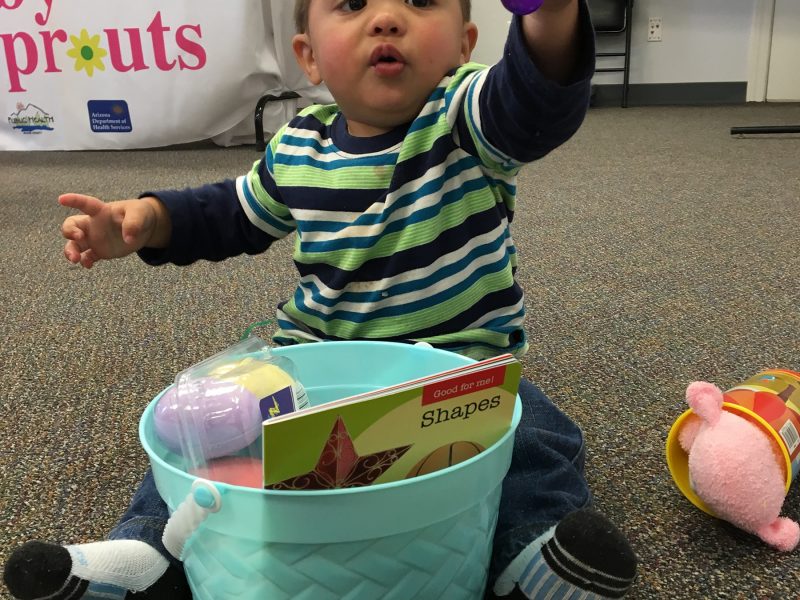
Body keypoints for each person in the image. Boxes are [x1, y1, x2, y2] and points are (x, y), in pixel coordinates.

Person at [4, 0, 637, 598]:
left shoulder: (464, 116)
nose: (387, 17)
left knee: (533, 433)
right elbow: (231, 213)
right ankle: (149, 551)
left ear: (465, 46)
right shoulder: (299, 142)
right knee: (202, 429)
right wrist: (150, 219)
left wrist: (550, 14)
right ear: (309, 57)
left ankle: (530, 557)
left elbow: (532, 100)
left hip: (458, 367)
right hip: (313, 365)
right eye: (353, 4)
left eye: (419, 2)